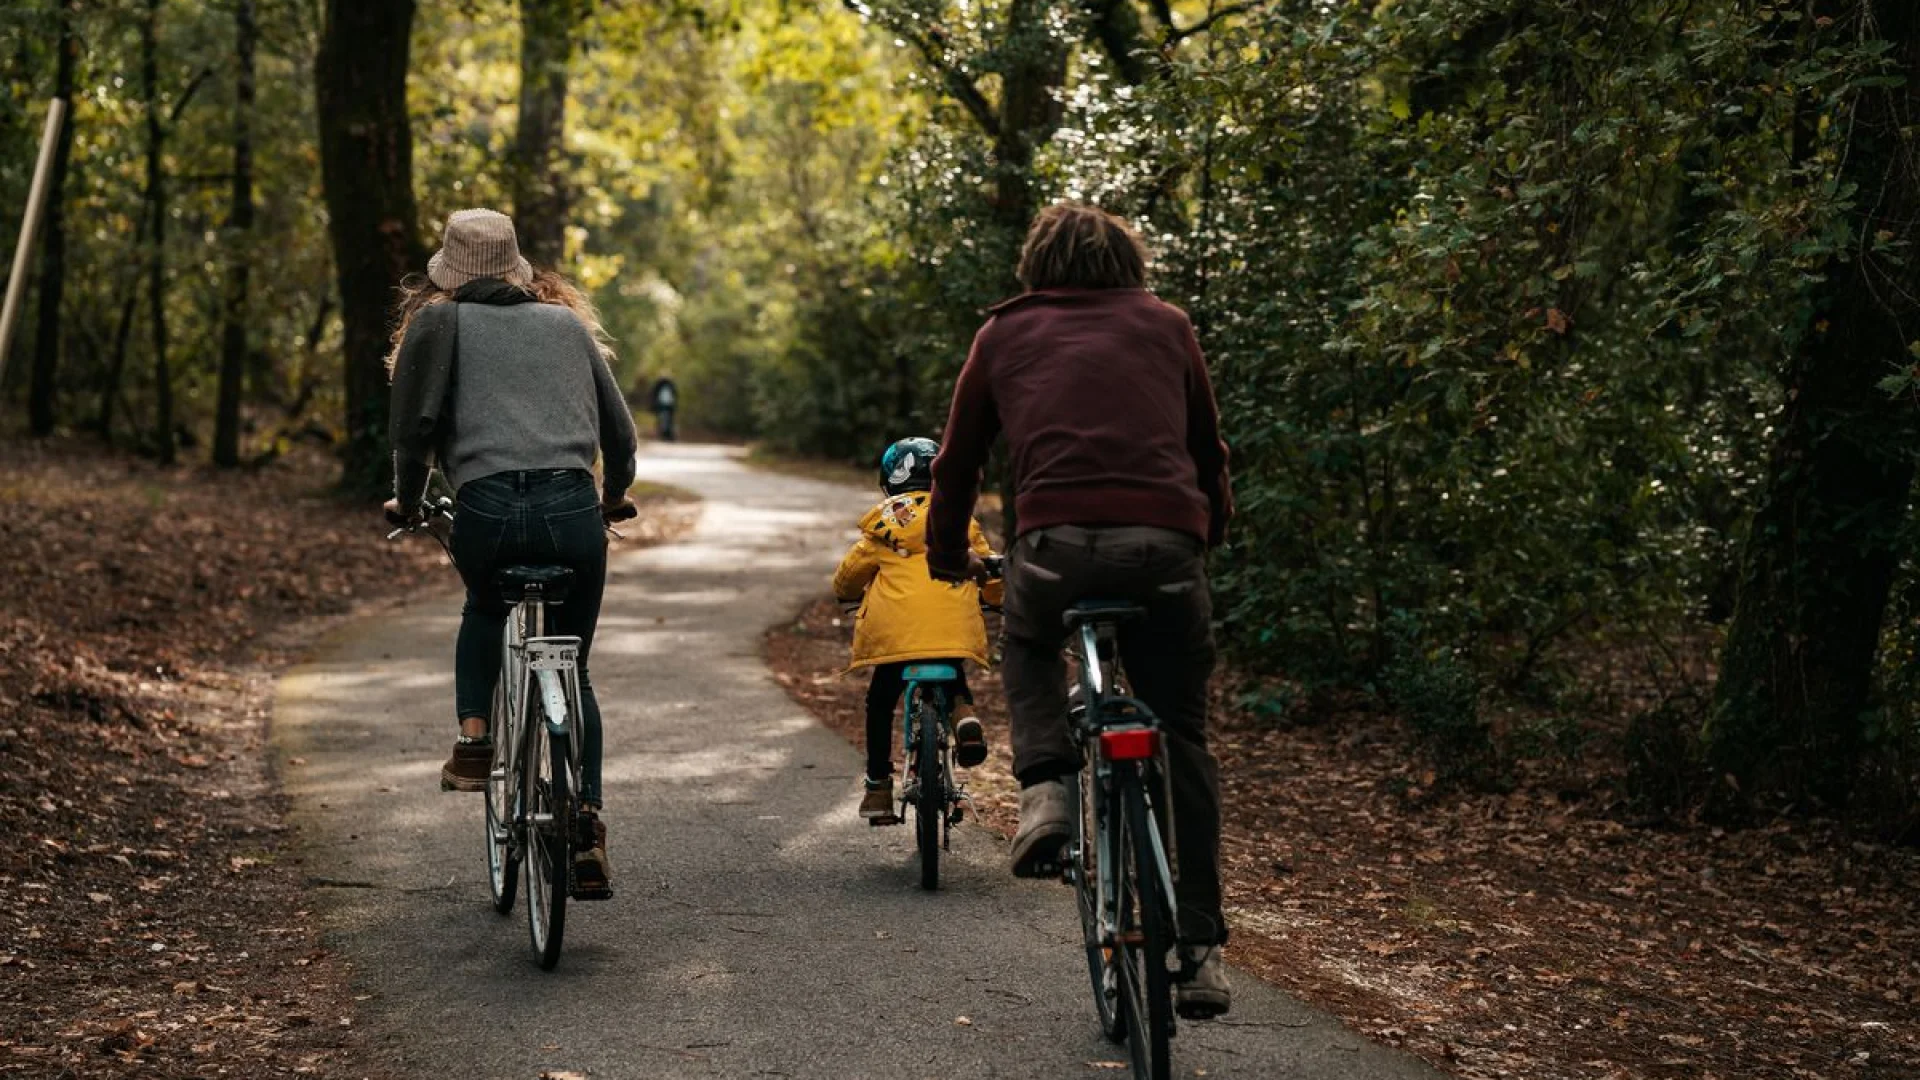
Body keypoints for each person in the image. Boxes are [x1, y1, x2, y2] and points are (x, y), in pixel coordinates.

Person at [925, 203, 1234, 1017]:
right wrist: (1210, 534)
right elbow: (1208, 451)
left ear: (1036, 264)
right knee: (1184, 736)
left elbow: (957, 463)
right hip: (1165, 551)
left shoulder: (1004, 334)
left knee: (1027, 641)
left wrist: (948, 556)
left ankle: (1048, 790)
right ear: (1128, 261)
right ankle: (1198, 949)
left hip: (1054, 550)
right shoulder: (1168, 326)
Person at [384, 207, 639, 898]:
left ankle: (474, 738)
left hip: (487, 513)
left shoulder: (439, 325)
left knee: (483, 607)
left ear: (451, 270)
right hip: (571, 511)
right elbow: (620, 434)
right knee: (574, 664)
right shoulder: (564, 325)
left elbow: (412, 434)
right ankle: (585, 816)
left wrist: (408, 504)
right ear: (517, 265)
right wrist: (614, 494)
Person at [833, 437, 1002, 821]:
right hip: (951, 631)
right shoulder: (959, 519)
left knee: (879, 703)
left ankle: (877, 787)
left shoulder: (884, 525)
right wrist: (996, 598)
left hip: (895, 639)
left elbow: (848, 577)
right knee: (953, 669)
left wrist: (846, 595)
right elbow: (988, 566)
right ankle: (964, 716)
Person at [649, 375, 678, 441]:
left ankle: (667, 435)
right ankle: (663, 435)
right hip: (664, 406)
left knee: (666, 421)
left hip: (666, 406)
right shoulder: (667, 386)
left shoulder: (667, 386)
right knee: (663, 420)